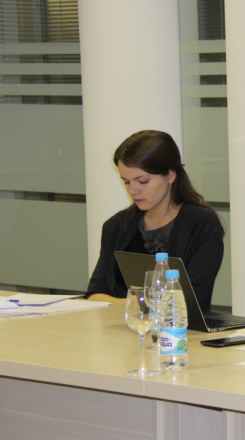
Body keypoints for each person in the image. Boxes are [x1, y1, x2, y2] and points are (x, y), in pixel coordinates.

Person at [86, 130, 225, 311]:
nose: (133, 190)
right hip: (121, 326)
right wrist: (137, 303)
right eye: (126, 182)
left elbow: (190, 300)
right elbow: (94, 294)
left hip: (179, 328)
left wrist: (132, 302)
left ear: (170, 175)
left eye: (143, 181)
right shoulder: (116, 225)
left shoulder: (201, 224)